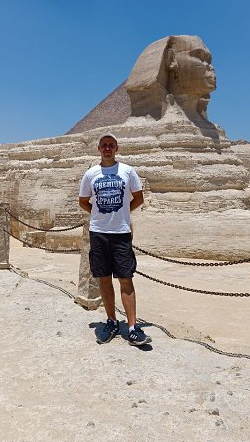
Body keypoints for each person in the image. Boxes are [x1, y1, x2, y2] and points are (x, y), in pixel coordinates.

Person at [78, 133, 152, 346]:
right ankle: (111, 321)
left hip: (121, 232)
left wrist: (122, 213)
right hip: (99, 232)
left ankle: (132, 327)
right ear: (99, 148)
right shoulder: (90, 174)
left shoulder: (128, 171)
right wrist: (100, 213)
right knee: (103, 278)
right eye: (104, 145)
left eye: (111, 145)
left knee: (125, 278)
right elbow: (83, 201)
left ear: (117, 148)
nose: (108, 148)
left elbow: (139, 197)